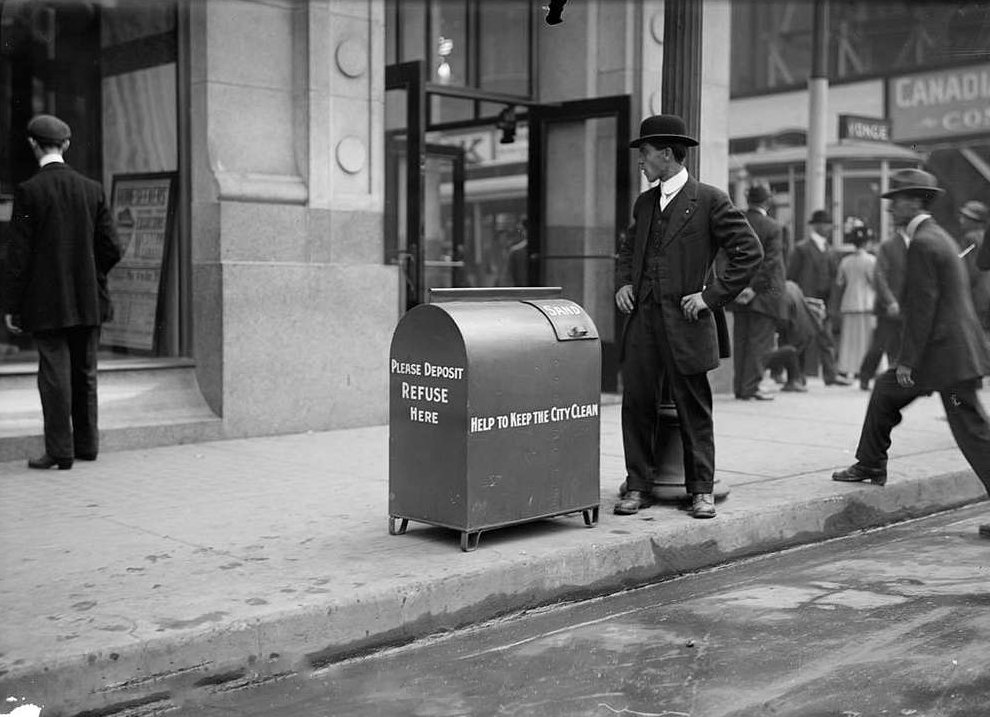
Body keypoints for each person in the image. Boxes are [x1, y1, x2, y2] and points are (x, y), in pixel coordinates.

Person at [614, 114, 763, 519]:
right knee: (637, 404)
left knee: (693, 409)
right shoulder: (645, 203)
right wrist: (624, 283)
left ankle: (701, 491)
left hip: (687, 323)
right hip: (644, 321)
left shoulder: (710, 200)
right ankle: (638, 486)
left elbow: (749, 252)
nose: (640, 161)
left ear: (666, 154)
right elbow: (628, 250)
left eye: (645, 153)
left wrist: (710, 297)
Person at [831, 169, 990, 541]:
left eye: (897, 201)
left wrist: (907, 361)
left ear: (916, 201)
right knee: (887, 392)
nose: (891, 209)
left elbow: (923, 308)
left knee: (973, 432)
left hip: (946, 358)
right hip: (950, 354)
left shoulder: (923, 242)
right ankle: (870, 463)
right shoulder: (937, 237)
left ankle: (870, 463)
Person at [0, 114, 121, 470]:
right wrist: (91, 276)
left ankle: (59, 450)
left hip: (46, 302)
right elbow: (112, 247)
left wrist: (12, 304)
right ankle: (87, 445)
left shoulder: (29, 192)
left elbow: (18, 256)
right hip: (88, 300)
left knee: (54, 375)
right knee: (85, 372)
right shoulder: (92, 189)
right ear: (66, 145)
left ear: (33, 144)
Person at [726, 184, 786, 401]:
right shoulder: (773, 227)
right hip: (764, 293)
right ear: (767, 201)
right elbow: (771, 262)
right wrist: (754, 288)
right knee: (760, 343)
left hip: (737, 291)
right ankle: (750, 387)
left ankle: (740, 387)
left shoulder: (736, 222)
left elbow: (726, 256)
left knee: (741, 341)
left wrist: (736, 286)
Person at [787, 210, 851, 386]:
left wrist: (833, 302)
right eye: (825, 224)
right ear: (816, 226)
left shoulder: (831, 250)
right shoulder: (802, 249)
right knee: (802, 339)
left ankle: (830, 375)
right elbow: (791, 277)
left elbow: (835, 278)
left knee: (826, 338)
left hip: (825, 301)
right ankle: (798, 376)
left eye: (829, 224)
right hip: (806, 301)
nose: (828, 228)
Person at [858, 226, 909, 391]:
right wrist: (890, 301)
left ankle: (897, 380)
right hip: (888, 307)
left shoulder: (917, 244)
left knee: (901, 344)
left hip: (908, 306)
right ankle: (865, 376)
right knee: (879, 344)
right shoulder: (889, 245)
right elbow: (879, 277)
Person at [763, 280, 825, 393]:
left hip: (795, 329)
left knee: (789, 351)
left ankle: (793, 380)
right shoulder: (791, 285)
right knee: (797, 352)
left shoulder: (780, 292)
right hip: (808, 326)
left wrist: (772, 327)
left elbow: (783, 320)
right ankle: (799, 378)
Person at [834, 224, 877, 381]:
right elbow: (874, 282)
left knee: (850, 339)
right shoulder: (871, 260)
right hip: (866, 302)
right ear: (866, 243)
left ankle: (847, 368)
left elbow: (839, 282)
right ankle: (866, 368)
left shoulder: (845, 261)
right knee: (866, 338)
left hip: (850, 301)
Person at [957, 200, 989, 335]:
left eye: (966, 218)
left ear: (976, 222)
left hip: (978, 297)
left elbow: (967, 271)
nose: (961, 221)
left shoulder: (970, 239)